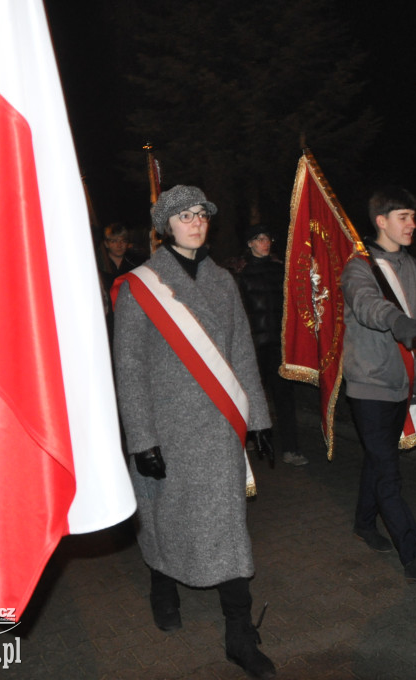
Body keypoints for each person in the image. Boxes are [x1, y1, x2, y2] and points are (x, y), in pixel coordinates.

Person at [112, 185, 276, 679]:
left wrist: (259, 420)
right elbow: (130, 365)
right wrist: (141, 438)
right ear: (165, 226)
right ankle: (163, 586)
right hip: (166, 427)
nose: (195, 221)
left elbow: (242, 350)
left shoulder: (224, 280)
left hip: (220, 426)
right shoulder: (140, 284)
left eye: (201, 213)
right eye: (183, 215)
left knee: (228, 527)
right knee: (165, 514)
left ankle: (239, 634)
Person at [341, 186, 416, 583]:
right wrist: (394, 319)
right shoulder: (359, 267)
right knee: (389, 471)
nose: (412, 225)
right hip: (369, 385)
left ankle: (364, 524)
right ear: (381, 222)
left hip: (402, 381)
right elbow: (367, 304)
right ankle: (413, 555)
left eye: (413, 217)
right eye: (403, 217)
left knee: (379, 456)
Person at [230, 224, 307, 466]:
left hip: (278, 345)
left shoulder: (280, 270)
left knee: (284, 397)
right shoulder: (239, 274)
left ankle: (291, 448)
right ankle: (249, 440)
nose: (265, 243)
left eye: (267, 238)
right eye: (259, 239)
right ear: (250, 243)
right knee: (249, 396)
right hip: (253, 346)